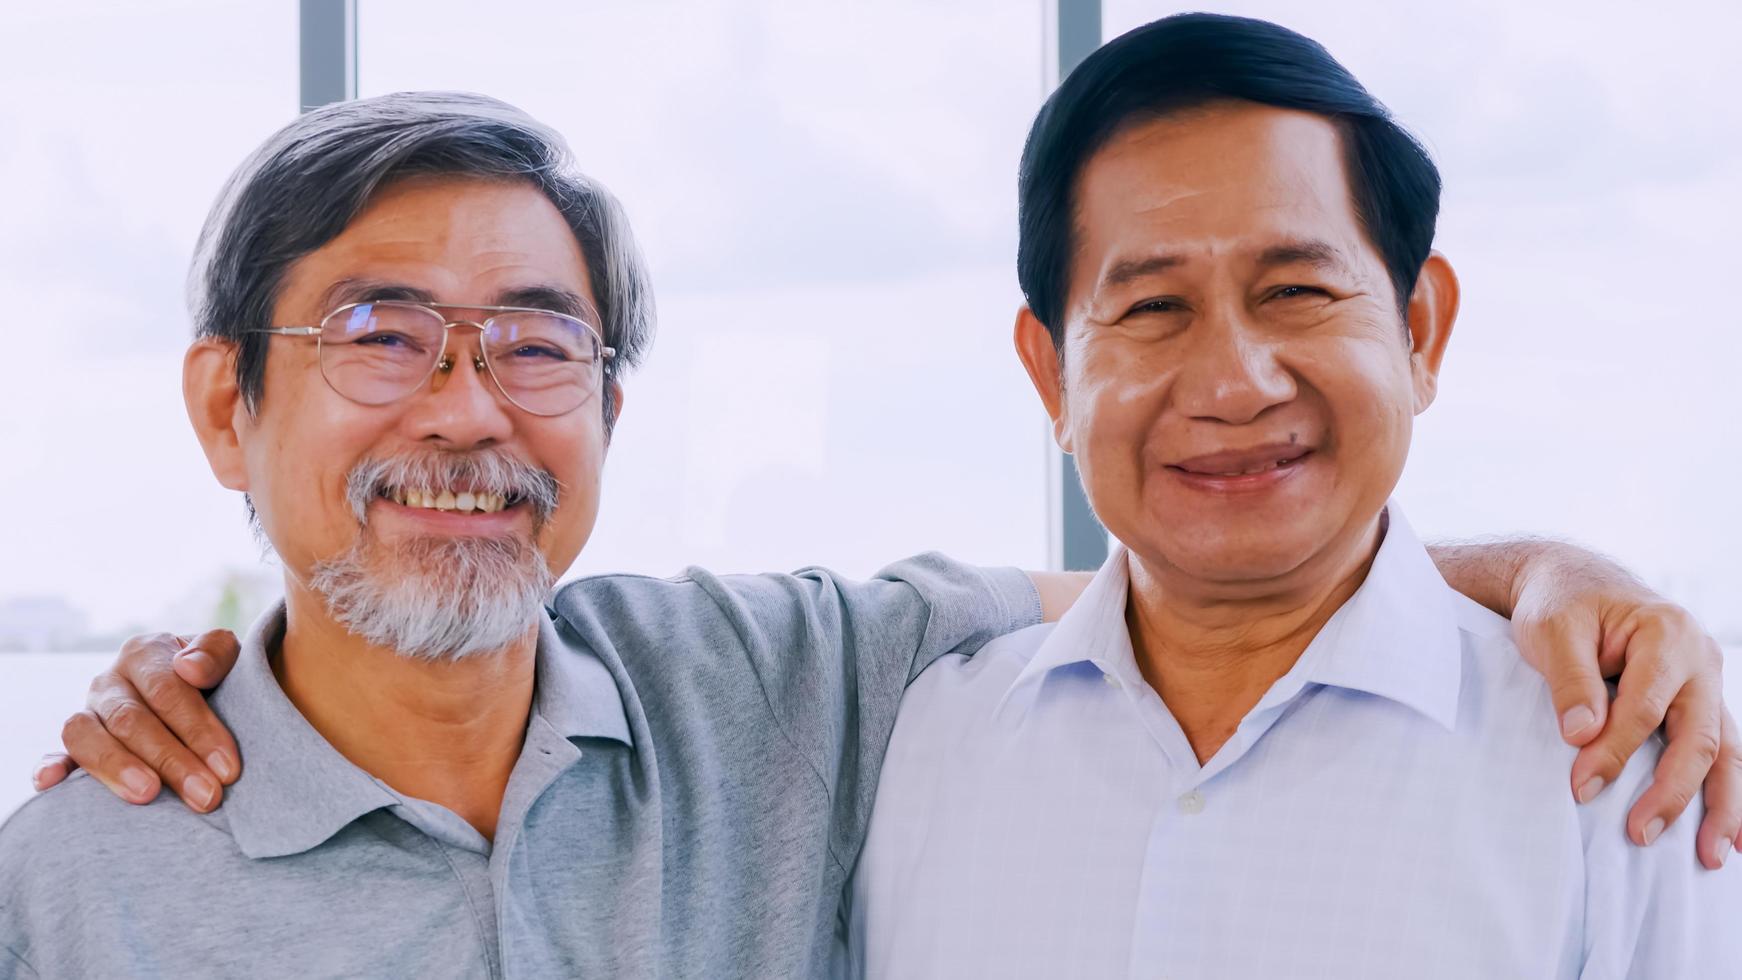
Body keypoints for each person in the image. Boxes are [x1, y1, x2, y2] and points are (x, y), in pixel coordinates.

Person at [7, 90, 1734, 978]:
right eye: (381, 337)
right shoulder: (77, 885)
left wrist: (1555, 574)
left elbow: (1207, 561)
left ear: (609, 405)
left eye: (539, 342)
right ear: (227, 405)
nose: (469, 409)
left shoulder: (785, 687)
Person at [843, 14, 1742, 978]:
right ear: (1051, 377)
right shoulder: (915, 754)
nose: (1235, 384)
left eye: (1297, 291)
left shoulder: (1619, 770)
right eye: (1152, 307)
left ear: (1420, 332)